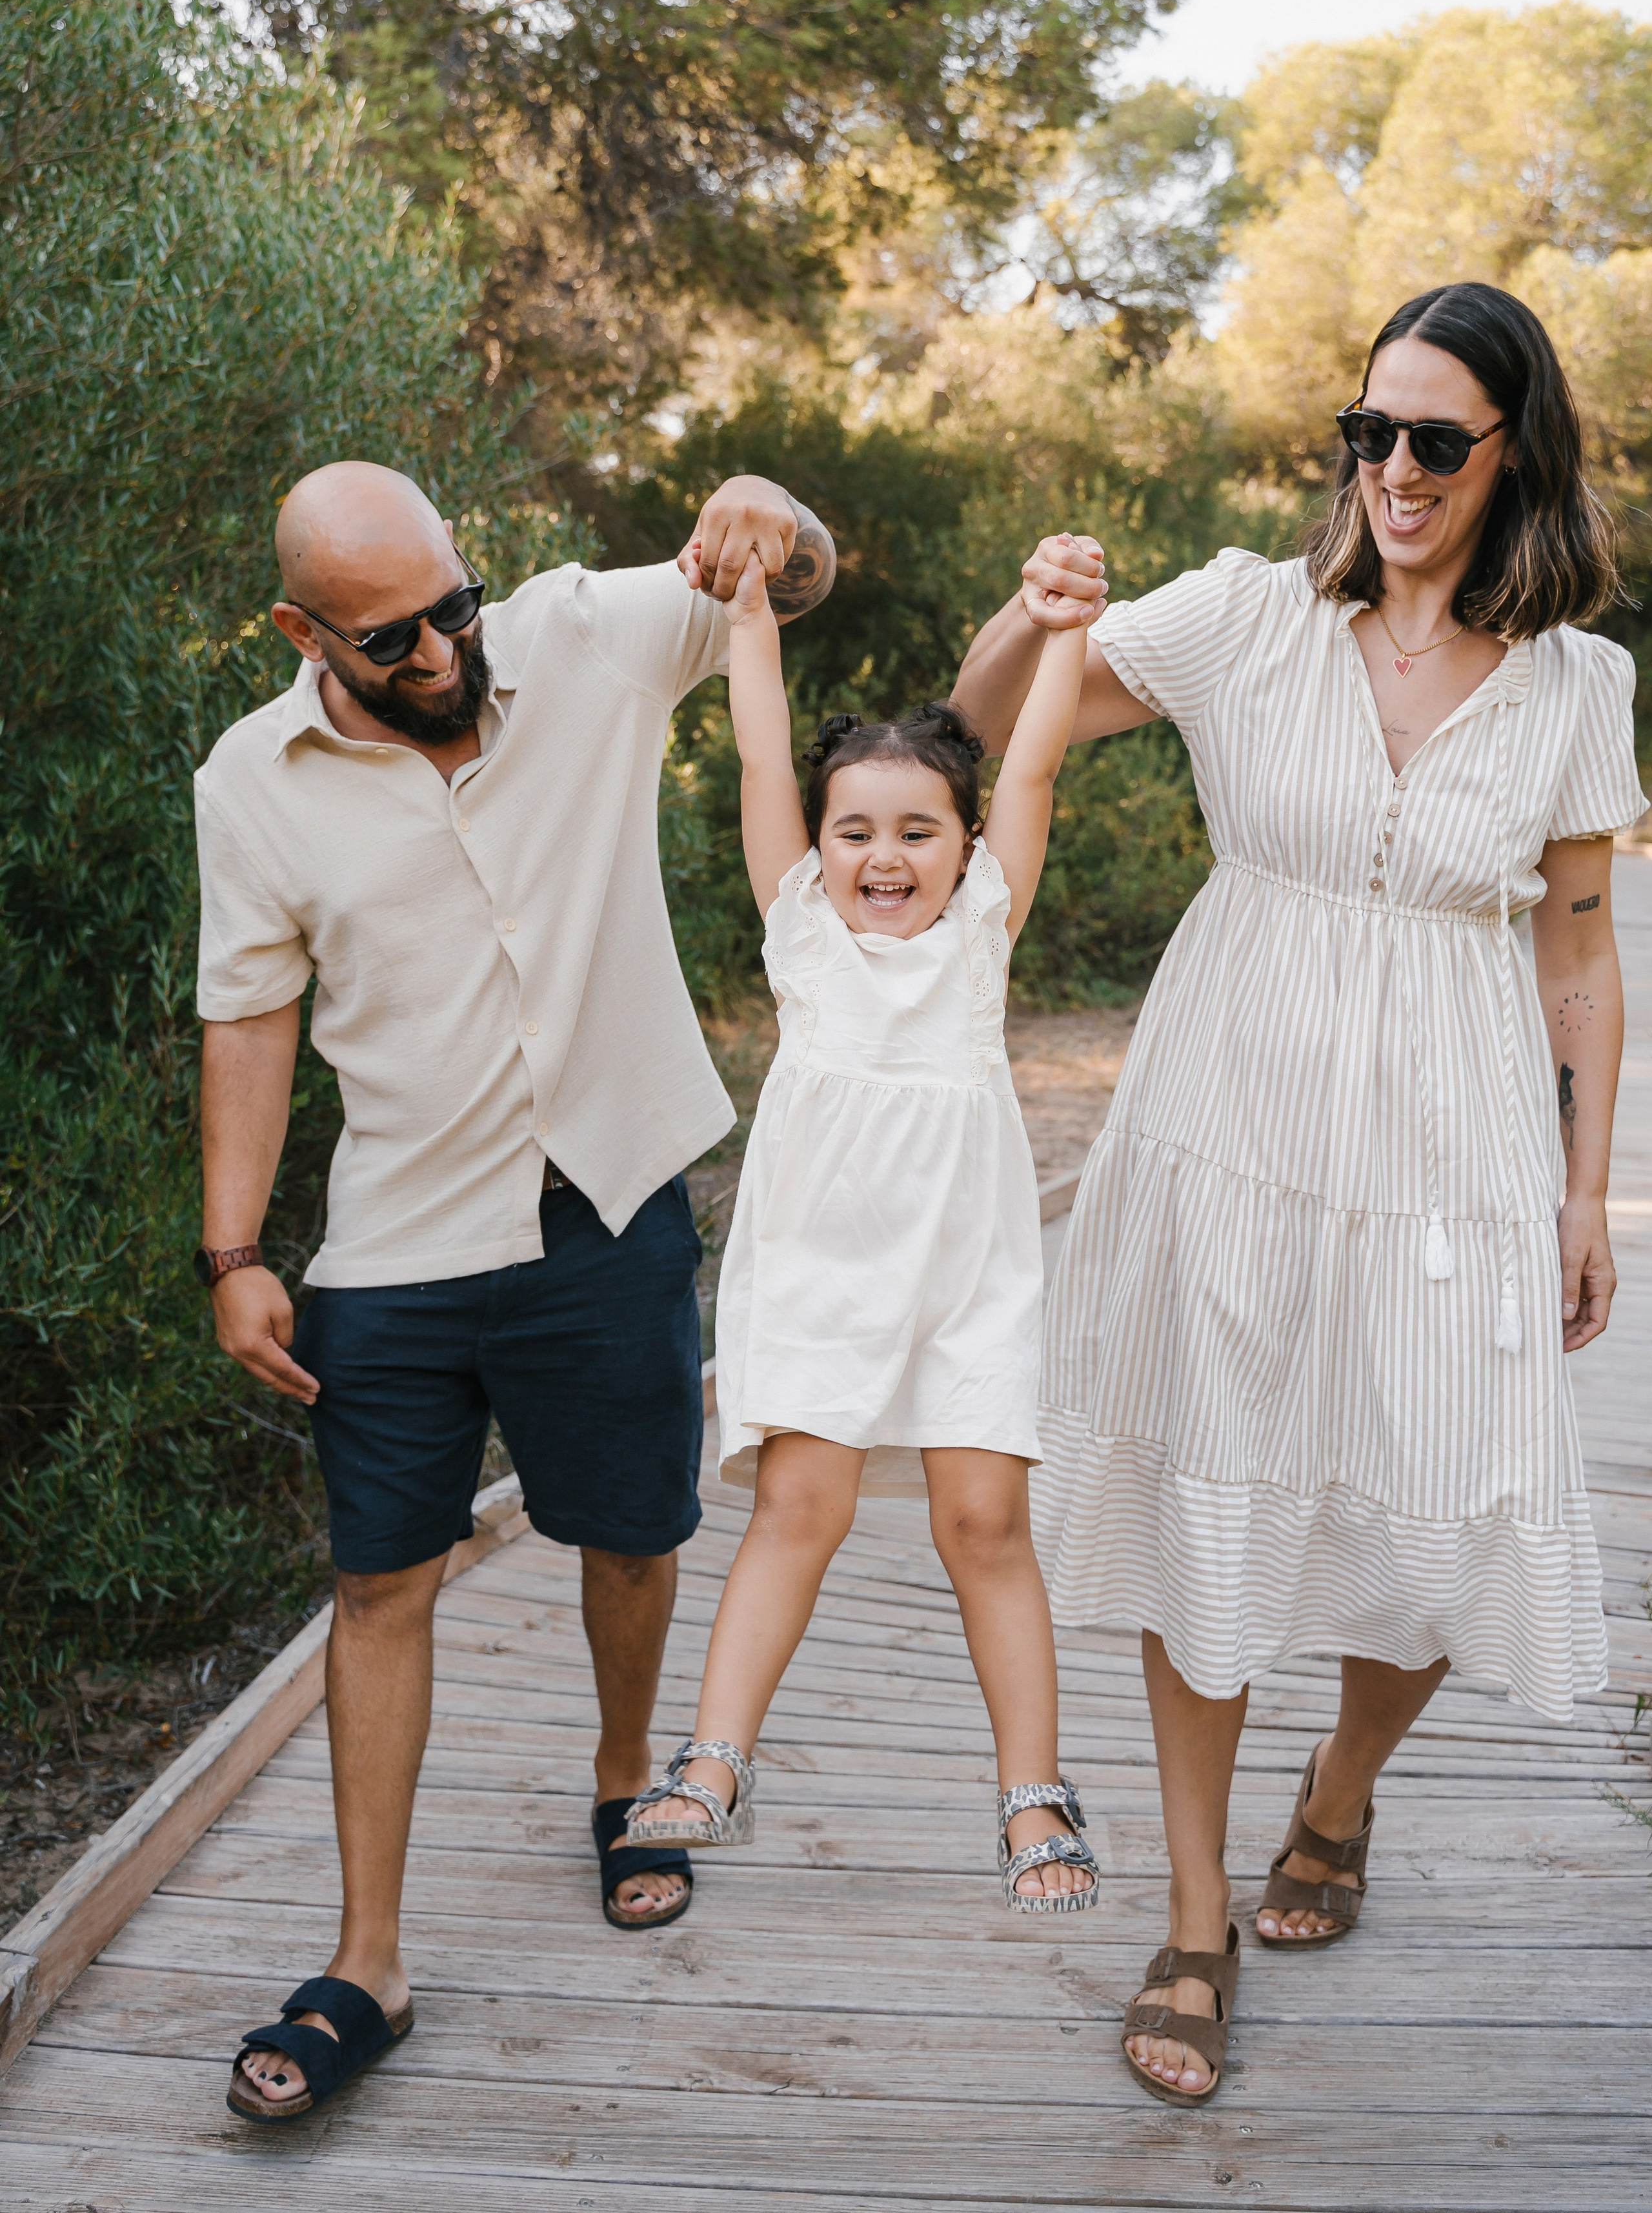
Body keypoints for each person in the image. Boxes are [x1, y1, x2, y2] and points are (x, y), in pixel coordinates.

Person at [951, 281, 1645, 2104]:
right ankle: (1193, 1920)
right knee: (1217, 1509)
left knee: (1440, 1503)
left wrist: (1589, 1194)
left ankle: (1337, 1800)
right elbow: (983, 718)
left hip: (1454, 1142)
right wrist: (1031, 609)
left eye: (1435, 441)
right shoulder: (1252, 616)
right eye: (1369, 433)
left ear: (1514, 457)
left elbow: (1580, 951)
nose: (1393, 471)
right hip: (1230, 1128)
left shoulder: (1580, 683)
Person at [199, 461, 835, 2122]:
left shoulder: (580, 638)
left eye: (452, 603)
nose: (441, 647)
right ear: (303, 631)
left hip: (606, 1208)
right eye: (392, 633)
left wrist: (772, 516)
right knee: (377, 1586)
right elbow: (249, 1017)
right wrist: (234, 1251)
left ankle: (626, 1781)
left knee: (631, 1536)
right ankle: (369, 1961)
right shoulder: (249, 782)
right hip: (395, 1248)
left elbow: (793, 576)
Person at [621, 540, 1100, 1910]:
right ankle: (714, 1759)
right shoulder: (801, 937)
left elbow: (1036, 769)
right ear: (819, 847)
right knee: (798, 1505)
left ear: (962, 847)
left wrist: (1064, 628)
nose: (882, 856)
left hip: (966, 1273)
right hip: (823, 1269)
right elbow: (762, 762)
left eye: (916, 832)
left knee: (983, 1521)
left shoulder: (979, 934)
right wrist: (749, 623)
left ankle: (1031, 1793)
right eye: (855, 832)